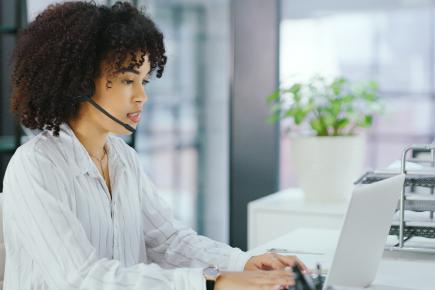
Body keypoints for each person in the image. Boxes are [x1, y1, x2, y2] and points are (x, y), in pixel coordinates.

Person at [3, 1, 306, 289]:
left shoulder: (123, 159)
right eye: (126, 80)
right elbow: (81, 279)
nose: (141, 96)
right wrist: (214, 283)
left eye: (144, 81)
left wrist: (244, 263)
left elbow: (168, 241)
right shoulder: (36, 165)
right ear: (79, 82)